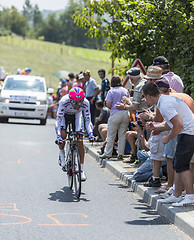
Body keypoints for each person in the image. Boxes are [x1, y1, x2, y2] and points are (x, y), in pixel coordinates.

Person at [142, 82, 194, 206]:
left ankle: (190, 196)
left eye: (144, 96)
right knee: (177, 163)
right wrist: (155, 127)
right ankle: (176, 195)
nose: (144, 100)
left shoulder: (164, 104)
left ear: (149, 95)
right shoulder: (163, 101)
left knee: (181, 165)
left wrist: (168, 137)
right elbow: (169, 124)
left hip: (188, 132)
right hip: (187, 131)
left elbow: (179, 125)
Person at [55, 87, 94, 181]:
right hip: (64, 116)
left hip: (77, 116)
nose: (78, 105)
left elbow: (88, 121)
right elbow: (58, 121)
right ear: (70, 99)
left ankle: (81, 170)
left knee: (80, 141)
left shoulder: (85, 103)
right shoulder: (64, 101)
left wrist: (91, 134)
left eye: (80, 102)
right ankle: (62, 154)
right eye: (75, 102)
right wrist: (58, 136)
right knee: (63, 135)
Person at [101, 75, 130, 160]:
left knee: (111, 134)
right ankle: (120, 153)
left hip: (115, 113)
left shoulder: (111, 91)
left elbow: (109, 104)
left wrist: (107, 104)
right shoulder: (125, 90)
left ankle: (108, 153)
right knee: (122, 134)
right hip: (125, 112)